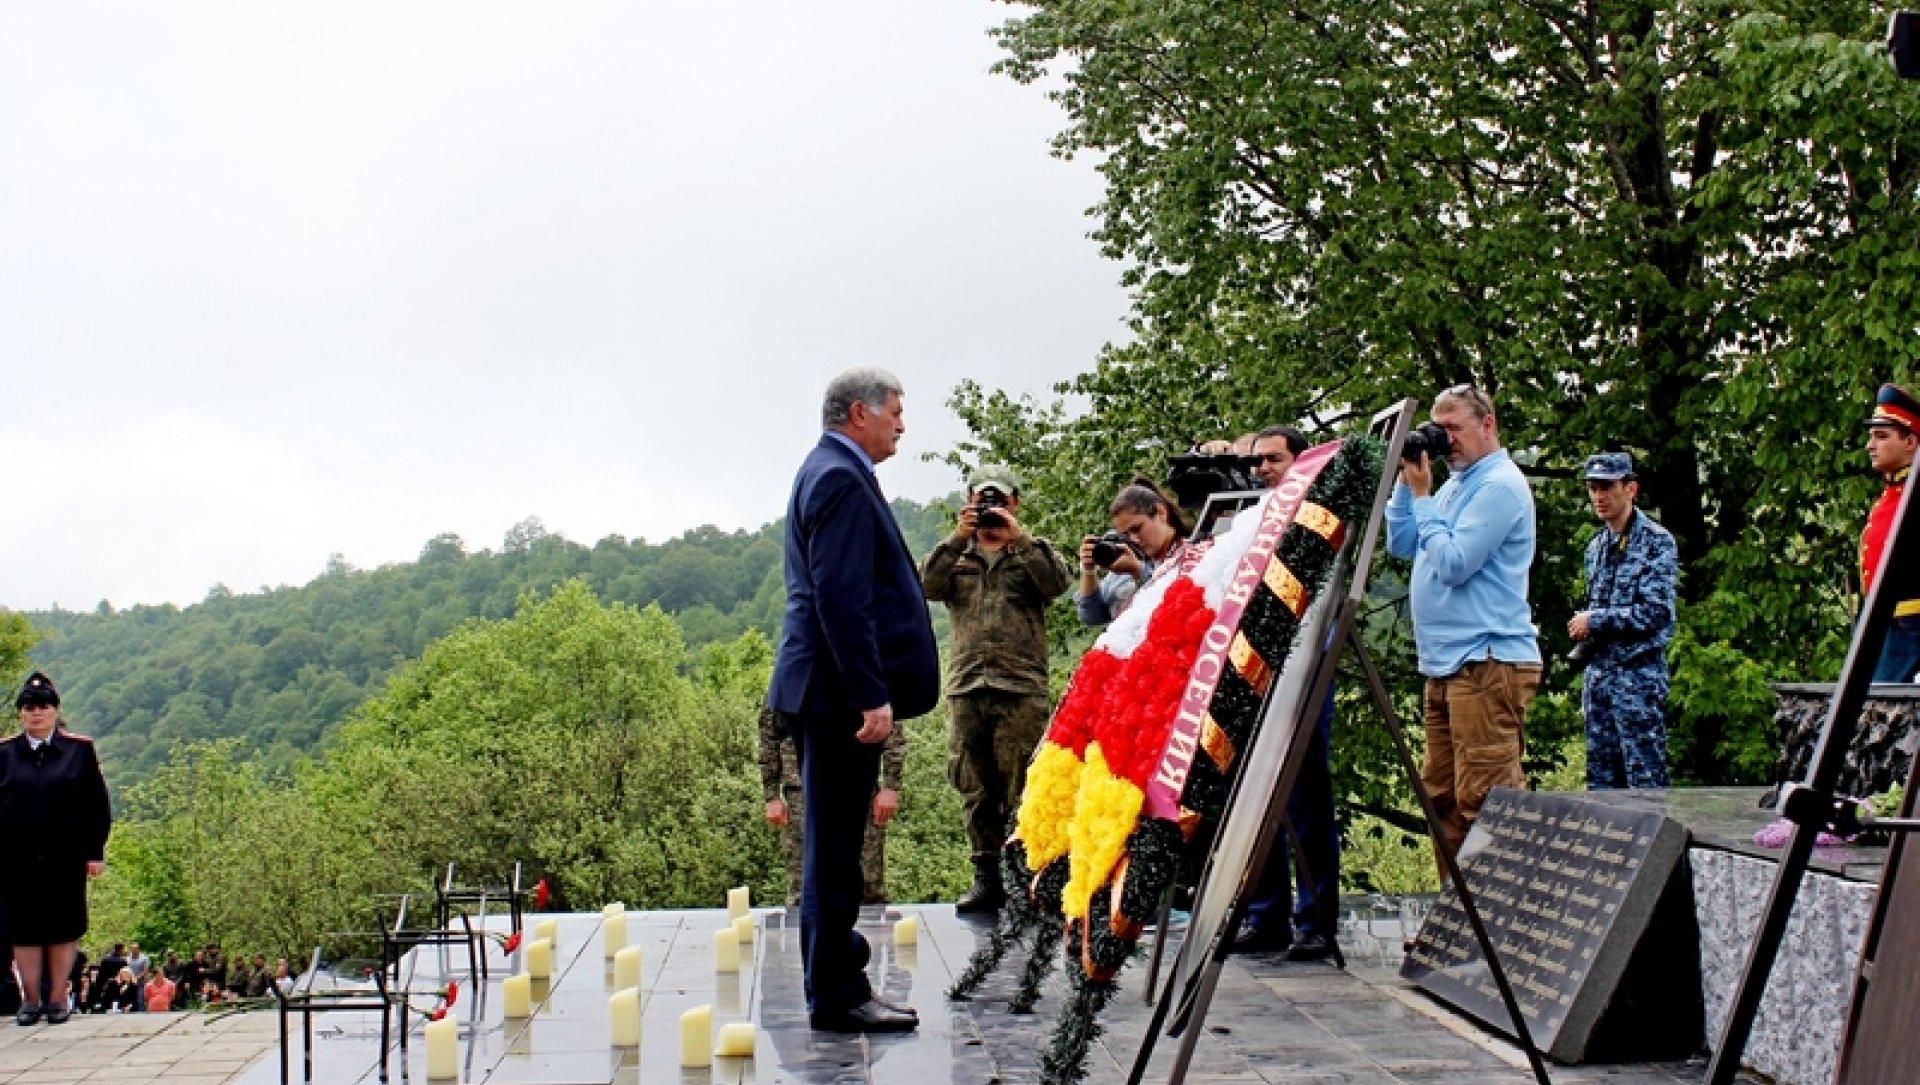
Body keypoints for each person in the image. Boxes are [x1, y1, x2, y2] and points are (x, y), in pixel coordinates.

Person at [766, 367, 940, 1034]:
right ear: (859, 412)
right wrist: (871, 694)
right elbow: (842, 596)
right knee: (835, 850)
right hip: (836, 694)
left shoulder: (831, 468)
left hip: (825, 689)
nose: (902, 423)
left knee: (834, 846)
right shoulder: (838, 475)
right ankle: (837, 993)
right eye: (896, 411)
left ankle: (838, 978)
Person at [1385, 386, 1542, 866]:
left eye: (1454, 429)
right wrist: (1404, 479)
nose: (1444, 440)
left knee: (1488, 804)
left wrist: (1421, 496)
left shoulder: (1498, 486)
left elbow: (1454, 564)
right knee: (1443, 801)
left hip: (1487, 661)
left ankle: (1502, 926)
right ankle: (1458, 921)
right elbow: (1402, 542)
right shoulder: (1454, 483)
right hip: (1447, 663)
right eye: (1439, 429)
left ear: (1487, 424)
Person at [921, 465, 1072, 914]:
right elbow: (926, 585)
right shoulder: (955, 557)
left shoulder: (1031, 553)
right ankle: (986, 877)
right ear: (968, 500)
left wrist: (1018, 538)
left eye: (1000, 500)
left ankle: (1027, 877)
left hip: (1020, 687)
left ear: (1014, 503)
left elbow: (1057, 583)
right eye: (982, 499)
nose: (991, 508)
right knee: (974, 785)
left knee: (1023, 785)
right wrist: (956, 537)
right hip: (968, 685)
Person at [1231, 425, 1342, 960]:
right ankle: (1264, 913)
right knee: (1254, 798)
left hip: (1302, 670)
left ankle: (1315, 920)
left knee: (1305, 798)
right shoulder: (1252, 518)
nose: (1263, 470)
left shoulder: (1320, 513)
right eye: (1256, 463)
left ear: (1301, 462)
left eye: (1273, 459)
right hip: (1253, 667)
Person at [0, 673, 112, 1025]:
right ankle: (30, 999)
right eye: (30, 708)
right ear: (21, 714)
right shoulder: (4, 753)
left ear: (55, 711)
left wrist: (94, 851)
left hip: (65, 854)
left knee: (64, 925)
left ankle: (57, 997)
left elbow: (97, 804)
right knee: (24, 928)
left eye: (43, 707)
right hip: (16, 857)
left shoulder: (79, 750)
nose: (37, 714)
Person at [1570, 452, 1679, 789]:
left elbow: (1655, 612)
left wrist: (1596, 620)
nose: (1599, 497)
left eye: (1607, 487)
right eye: (1593, 488)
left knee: (1645, 782)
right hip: (1601, 678)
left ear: (1630, 488)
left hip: (1637, 677)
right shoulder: (1596, 548)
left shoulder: (1657, 542)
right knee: (1602, 786)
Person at [758, 706, 905, 907]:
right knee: (805, 880)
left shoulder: (864, 675)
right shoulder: (794, 676)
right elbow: (769, 737)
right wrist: (771, 795)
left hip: (857, 785)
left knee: (868, 880)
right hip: (802, 789)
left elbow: (889, 727)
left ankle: (872, 936)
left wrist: (890, 786)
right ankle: (805, 936)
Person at [1075, 477, 1192, 626]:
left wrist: (1138, 571)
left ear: (1161, 513)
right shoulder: (1126, 562)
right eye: (1125, 534)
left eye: (1137, 529)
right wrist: (1088, 570)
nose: (1134, 539)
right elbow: (1091, 617)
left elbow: (1178, 600)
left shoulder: (1191, 553)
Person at [1863, 382, 1920, 683]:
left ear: (1910, 442)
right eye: (1871, 436)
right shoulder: (1893, 496)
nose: (1870, 445)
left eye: (1881, 436)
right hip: (1885, 630)